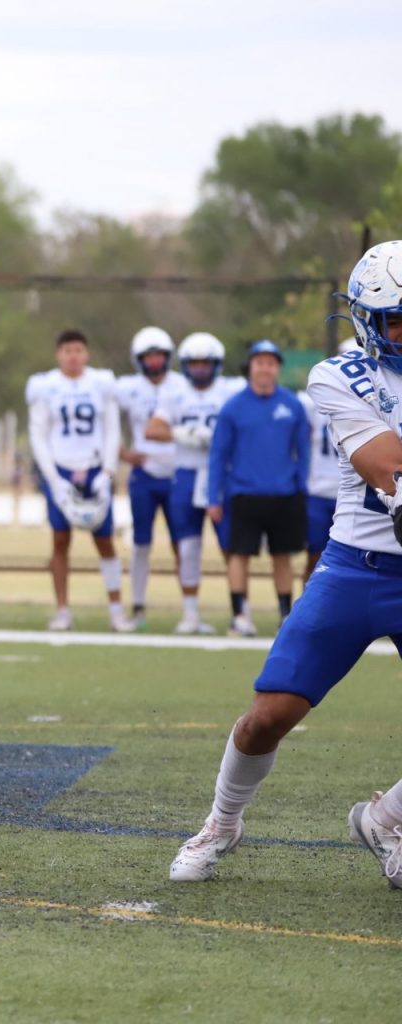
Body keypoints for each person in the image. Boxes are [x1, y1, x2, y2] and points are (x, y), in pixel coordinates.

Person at [168, 240, 402, 888]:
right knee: (269, 715)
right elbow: (387, 464)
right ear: (367, 320)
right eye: (397, 321)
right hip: (358, 567)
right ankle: (222, 822)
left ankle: (388, 818)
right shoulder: (340, 374)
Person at [26, 328, 128, 632]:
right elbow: (38, 435)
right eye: (68, 350)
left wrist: (107, 472)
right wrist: (53, 479)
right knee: (60, 540)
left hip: (94, 468)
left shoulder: (101, 383)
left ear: (87, 353)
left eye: (78, 350)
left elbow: (112, 430)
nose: (73, 356)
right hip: (61, 468)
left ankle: (116, 611)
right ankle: (62, 611)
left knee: (105, 540)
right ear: (58, 354)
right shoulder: (45, 386)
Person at [205, 340, 309, 637]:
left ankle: (285, 615)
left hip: (284, 494)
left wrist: (300, 486)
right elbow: (218, 455)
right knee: (239, 554)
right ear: (250, 367)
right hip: (244, 494)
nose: (265, 368)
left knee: (282, 555)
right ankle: (239, 614)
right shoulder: (233, 407)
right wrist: (213, 497)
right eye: (260, 362)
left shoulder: (292, 405)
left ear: (277, 368)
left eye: (271, 363)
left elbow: (303, 451)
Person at [145, 332, 245, 634]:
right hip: (187, 473)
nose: (199, 369)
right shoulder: (174, 392)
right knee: (187, 546)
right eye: (194, 363)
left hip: (222, 475)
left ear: (216, 364)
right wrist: (182, 434)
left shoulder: (231, 390)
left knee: (231, 545)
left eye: (205, 363)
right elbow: (152, 429)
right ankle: (190, 614)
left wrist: (220, 439)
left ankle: (240, 612)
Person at [115, 326, 183, 628]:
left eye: (159, 355)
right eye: (148, 356)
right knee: (141, 542)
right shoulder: (127, 387)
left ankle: (189, 610)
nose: (155, 361)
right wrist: (122, 452)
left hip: (178, 472)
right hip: (144, 472)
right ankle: (139, 606)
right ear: (138, 359)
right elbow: (104, 419)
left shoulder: (182, 384)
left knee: (183, 544)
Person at [298, 376, 342, 583]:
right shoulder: (313, 403)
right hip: (319, 491)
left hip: (353, 494)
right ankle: (306, 600)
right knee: (314, 556)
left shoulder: (371, 401)